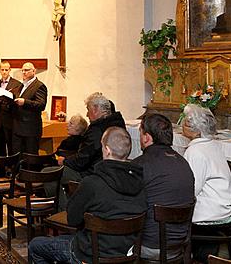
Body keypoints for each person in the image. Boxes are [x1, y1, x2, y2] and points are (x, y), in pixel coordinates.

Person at [28, 127, 147, 264]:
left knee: (36, 245)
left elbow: (72, 219)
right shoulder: (140, 182)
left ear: (107, 150)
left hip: (90, 254)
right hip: (126, 253)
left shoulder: (92, 183)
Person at [132, 113, 195, 260]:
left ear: (147, 137)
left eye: (141, 134)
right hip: (179, 245)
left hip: (148, 245)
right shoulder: (183, 162)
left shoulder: (140, 165)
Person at [182, 104, 231, 262]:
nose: (181, 126)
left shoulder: (196, 151)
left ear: (197, 130)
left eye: (185, 123)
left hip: (213, 208)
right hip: (223, 201)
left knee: (170, 214)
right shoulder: (211, 144)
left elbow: (192, 189)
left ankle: (187, 257)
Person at [12, 62, 47, 154]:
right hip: (18, 127)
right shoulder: (21, 85)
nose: (24, 72)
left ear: (34, 71)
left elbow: (41, 105)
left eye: (27, 70)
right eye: (22, 70)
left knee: (30, 157)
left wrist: (25, 102)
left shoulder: (39, 86)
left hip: (30, 129)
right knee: (17, 156)